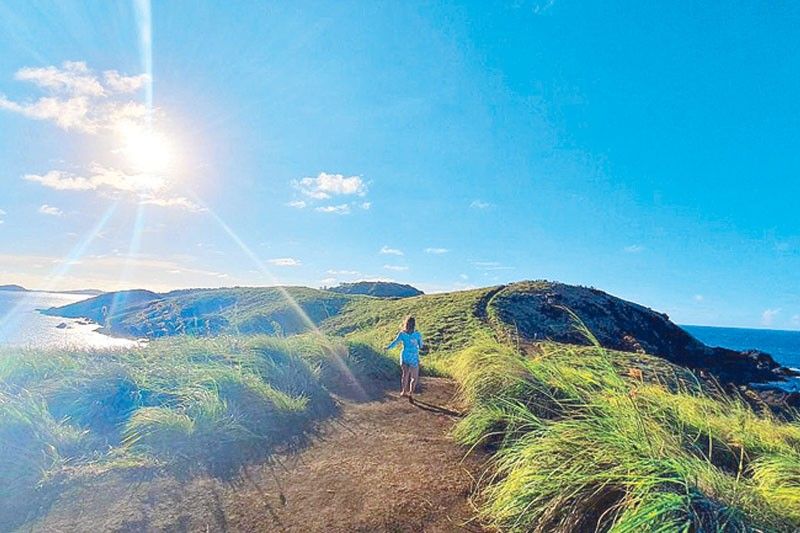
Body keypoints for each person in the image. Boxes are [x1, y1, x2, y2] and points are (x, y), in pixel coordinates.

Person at [386, 316, 423, 402]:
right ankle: (411, 393)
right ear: (414, 325)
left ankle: (403, 391)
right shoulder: (417, 334)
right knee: (414, 377)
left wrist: (387, 348)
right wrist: (416, 345)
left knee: (405, 374)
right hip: (413, 356)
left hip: (405, 355)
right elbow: (421, 346)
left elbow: (394, 343)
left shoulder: (402, 334)